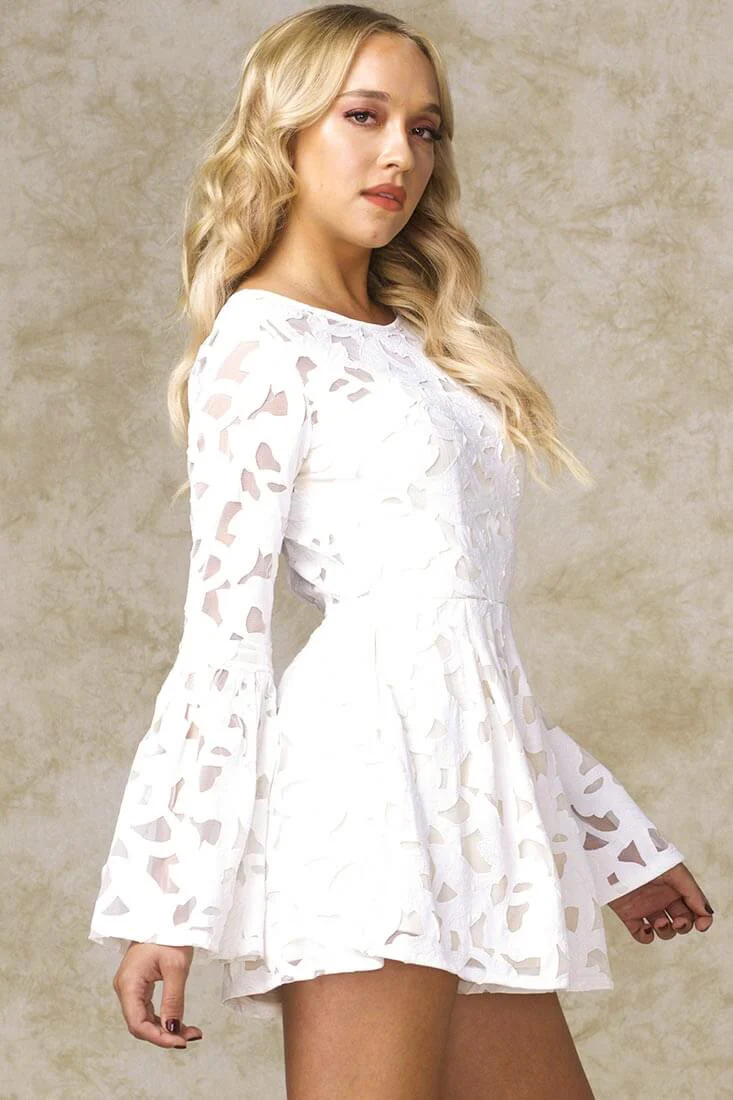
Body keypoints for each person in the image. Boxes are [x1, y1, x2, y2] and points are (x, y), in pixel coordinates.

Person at [88, 6, 714, 1097]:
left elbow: (460, 634)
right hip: (363, 809)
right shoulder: (260, 343)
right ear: (284, 131)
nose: (400, 156)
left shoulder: (428, 347)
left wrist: (609, 830)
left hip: (476, 811)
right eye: (363, 116)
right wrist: (164, 901)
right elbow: (223, 640)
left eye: (424, 129)